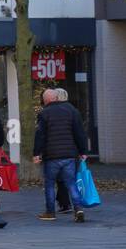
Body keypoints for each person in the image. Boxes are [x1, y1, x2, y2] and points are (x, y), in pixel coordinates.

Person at [33, 88, 89, 222]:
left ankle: (50, 212)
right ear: (57, 98)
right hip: (69, 155)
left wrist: (36, 153)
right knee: (71, 183)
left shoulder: (44, 113)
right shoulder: (72, 110)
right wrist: (83, 151)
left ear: (46, 100)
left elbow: (40, 135)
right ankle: (78, 209)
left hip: (52, 156)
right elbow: (79, 133)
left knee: (50, 184)